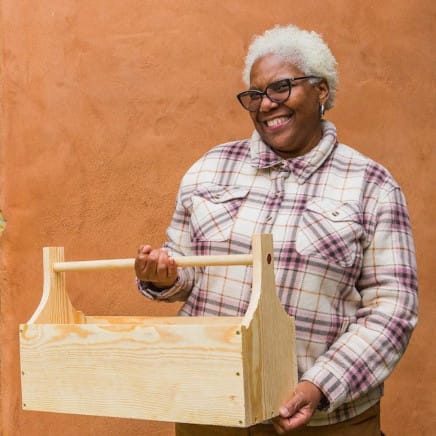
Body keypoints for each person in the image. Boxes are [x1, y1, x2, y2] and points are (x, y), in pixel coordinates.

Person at [134, 24, 418, 436]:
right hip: (214, 411)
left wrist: (320, 383)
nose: (267, 105)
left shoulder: (371, 186)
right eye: (256, 94)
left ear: (321, 91)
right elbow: (185, 270)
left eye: (281, 88)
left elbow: (392, 309)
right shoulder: (211, 167)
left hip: (324, 422)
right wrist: (164, 277)